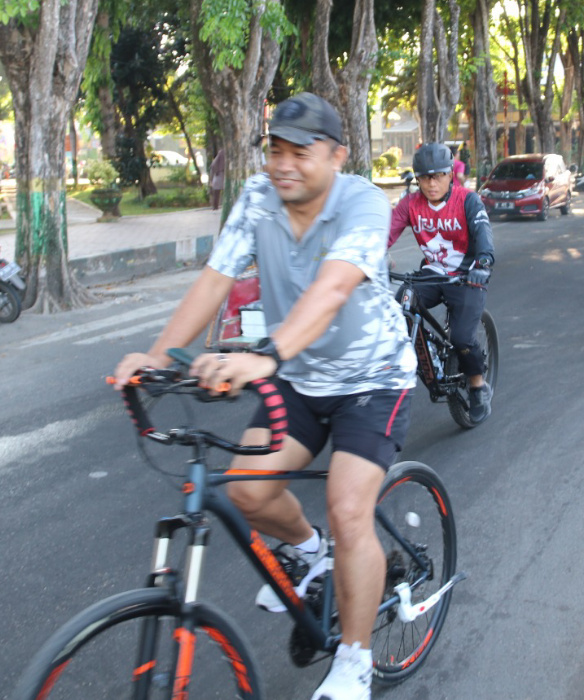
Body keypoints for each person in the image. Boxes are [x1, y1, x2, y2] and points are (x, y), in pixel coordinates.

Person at [113, 92, 417, 700]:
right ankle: (311, 554)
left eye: (300, 152)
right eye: (275, 149)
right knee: (247, 491)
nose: (283, 164)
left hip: (372, 381)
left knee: (348, 509)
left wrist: (265, 355)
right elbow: (214, 279)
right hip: (299, 379)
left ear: (338, 154)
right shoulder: (257, 199)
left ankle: (355, 662)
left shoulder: (362, 202)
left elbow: (331, 290)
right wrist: (156, 354)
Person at [389, 142, 496, 423]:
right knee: (401, 305)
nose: (431, 183)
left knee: (461, 338)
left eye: (437, 176)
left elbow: (483, 233)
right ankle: (425, 358)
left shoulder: (468, 200)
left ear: (450, 174)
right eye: (425, 177)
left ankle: (476, 385)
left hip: (467, 276)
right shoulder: (410, 204)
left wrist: (483, 263)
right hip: (433, 274)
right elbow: (384, 233)